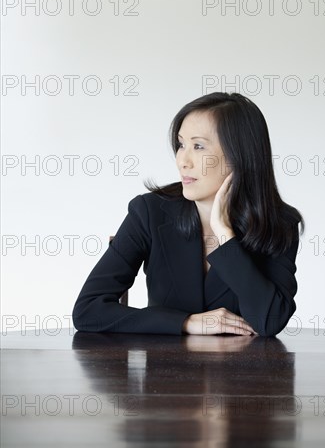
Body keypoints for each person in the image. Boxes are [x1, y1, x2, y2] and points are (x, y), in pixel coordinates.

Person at [72, 92, 304, 337]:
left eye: (198, 146)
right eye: (181, 144)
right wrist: (186, 322)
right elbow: (88, 311)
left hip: (239, 373)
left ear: (240, 157)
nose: (183, 160)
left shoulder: (279, 225)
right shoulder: (149, 212)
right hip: (166, 372)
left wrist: (225, 235)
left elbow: (270, 321)